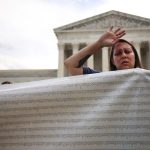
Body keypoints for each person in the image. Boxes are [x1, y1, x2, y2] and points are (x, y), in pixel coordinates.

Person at [64, 26, 142, 75]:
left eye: (127, 51)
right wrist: (99, 44)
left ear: (135, 55)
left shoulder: (146, 79)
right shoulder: (103, 80)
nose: (124, 55)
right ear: (112, 60)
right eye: (118, 53)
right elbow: (70, 64)